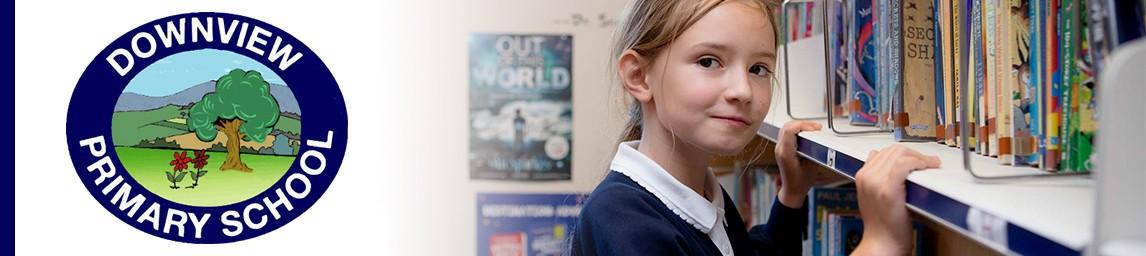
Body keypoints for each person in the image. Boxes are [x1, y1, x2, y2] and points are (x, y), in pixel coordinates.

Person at [569, 0, 942, 255]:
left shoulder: (697, 193)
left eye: (758, 69)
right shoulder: (624, 222)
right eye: (709, 61)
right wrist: (878, 244)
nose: (743, 91)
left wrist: (791, 196)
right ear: (639, 76)